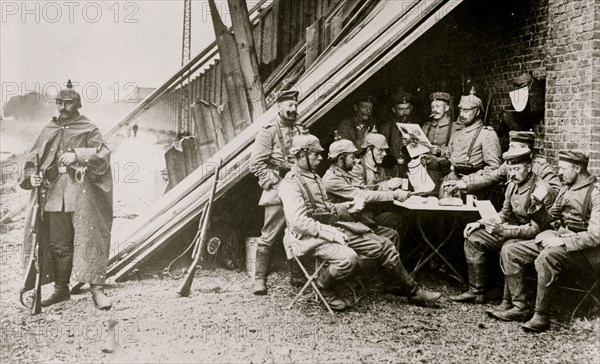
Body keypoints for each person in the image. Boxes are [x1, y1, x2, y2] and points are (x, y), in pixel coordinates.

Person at [278, 134, 442, 310]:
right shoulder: (291, 184)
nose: (320, 158)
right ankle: (323, 286)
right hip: (308, 237)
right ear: (302, 155)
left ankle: (413, 291)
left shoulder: (313, 176)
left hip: (328, 227)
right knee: (351, 257)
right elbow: (298, 222)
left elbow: (327, 208)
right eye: (315, 154)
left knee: (384, 244)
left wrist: (345, 207)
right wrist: (331, 232)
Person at [20, 80, 113, 310]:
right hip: (53, 194)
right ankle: (61, 290)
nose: (62, 107)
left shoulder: (88, 128)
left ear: (77, 104)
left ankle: (96, 290)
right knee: (58, 244)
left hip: (82, 194)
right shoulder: (48, 129)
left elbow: (103, 153)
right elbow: (33, 159)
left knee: (89, 238)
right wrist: (33, 177)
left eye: (68, 103)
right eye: (59, 102)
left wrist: (78, 155)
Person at [494, 150, 599, 332]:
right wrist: (538, 207)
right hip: (562, 242)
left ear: (577, 168)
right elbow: (550, 219)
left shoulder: (595, 193)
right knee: (511, 251)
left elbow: (596, 235)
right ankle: (520, 306)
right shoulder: (567, 188)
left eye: (564, 169)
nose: (559, 172)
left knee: (547, 256)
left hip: (587, 252)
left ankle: (541, 316)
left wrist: (564, 242)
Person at [449, 149, 554, 304]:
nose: (512, 174)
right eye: (510, 169)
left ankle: (513, 302)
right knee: (474, 237)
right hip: (512, 230)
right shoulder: (512, 185)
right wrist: (480, 222)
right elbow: (504, 214)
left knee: (508, 247)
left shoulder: (541, 190)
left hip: (534, 236)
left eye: (517, 169)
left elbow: (537, 228)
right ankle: (476, 291)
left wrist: (503, 230)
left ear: (529, 167)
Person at [249, 89, 306, 295]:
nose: (293, 109)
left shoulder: (301, 130)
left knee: (298, 231)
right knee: (269, 235)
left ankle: (298, 276)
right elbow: (255, 164)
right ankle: (259, 279)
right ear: (279, 107)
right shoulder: (269, 131)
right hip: (278, 188)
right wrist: (274, 182)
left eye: (295, 105)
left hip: (298, 189)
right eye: (289, 105)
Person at [322, 138, 408, 247]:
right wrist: (394, 194)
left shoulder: (342, 174)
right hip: (342, 226)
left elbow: (363, 189)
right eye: (352, 157)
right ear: (341, 158)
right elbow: (362, 195)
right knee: (387, 239)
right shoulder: (333, 179)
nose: (355, 160)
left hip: (351, 222)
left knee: (393, 233)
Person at [423, 94, 501, 198]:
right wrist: (430, 160)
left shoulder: (487, 134)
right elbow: (447, 160)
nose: (462, 115)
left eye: (466, 111)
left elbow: (494, 170)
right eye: (461, 110)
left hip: (470, 191)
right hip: (448, 186)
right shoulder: (457, 132)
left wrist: (467, 182)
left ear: (477, 112)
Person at [448, 131, 561, 198]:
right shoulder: (507, 165)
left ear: (525, 148)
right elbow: (489, 178)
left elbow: (556, 191)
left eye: (512, 147)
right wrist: (464, 184)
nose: (509, 150)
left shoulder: (542, 166)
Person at [421, 92, 459, 194]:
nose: (434, 110)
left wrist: (440, 151)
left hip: (445, 175)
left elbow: (459, 151)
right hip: (425, 174)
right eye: (432, 107)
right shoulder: (425, 127)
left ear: (446, 108)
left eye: (438, 106)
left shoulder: (456, 128)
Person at [378, 91, 420, 169]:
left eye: (407, 109)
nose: (405, 113)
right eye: (400, 109)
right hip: (391, 169)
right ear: (394, 110)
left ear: (411, 108)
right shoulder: (386, 128)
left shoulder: (416, 128)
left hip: (411, 168)